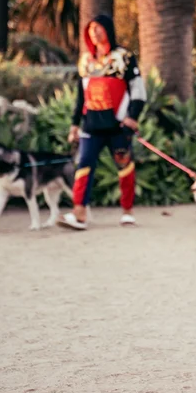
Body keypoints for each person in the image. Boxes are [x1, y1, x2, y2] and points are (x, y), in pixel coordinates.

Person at [58, 14, 147, 231]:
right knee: (84, 165)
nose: (94, 33)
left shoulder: (124, 57)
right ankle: (79, 213)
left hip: (118, 126)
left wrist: (132, 117)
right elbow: (82, 96)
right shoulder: (86, 61)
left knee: (124, 165)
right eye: (90, 29)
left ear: (108, 30)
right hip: (91, 127)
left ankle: (128, 211)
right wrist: (74, 124)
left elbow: (137, 89)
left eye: (98, 28)